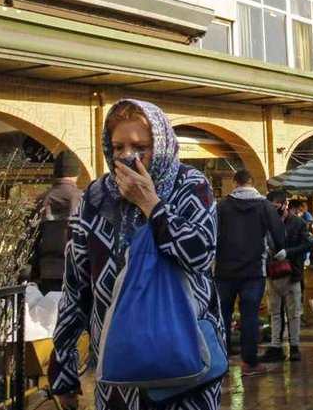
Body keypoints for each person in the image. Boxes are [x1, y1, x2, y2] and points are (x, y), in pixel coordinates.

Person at [50, 99, 221, 410]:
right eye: (118, 148)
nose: (128, 157)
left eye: (140, 146)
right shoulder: (95, 200)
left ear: (162, 144)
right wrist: (63, 370)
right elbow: (76, 288)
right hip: (119, 372)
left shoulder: (190, 187)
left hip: (188, 364)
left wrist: (151, 205)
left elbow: (200, 254)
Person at [214, 169, 285, 376]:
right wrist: (279, 251)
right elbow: (278, 231)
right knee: (250, 316)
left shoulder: (222, 205)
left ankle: (222, 361)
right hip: (254, 270)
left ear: (235, 184)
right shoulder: (263, 205)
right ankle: (249, 363)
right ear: (252, 183)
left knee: (223, 315)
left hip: (225, 270)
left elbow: (210, 231)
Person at [260, 190, 312, 363]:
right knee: (274, 311)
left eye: (275, 206)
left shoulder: (298, 223)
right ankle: (276, 346)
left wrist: (287, 253)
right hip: (272, 272)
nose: (273, 210)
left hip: (292, 273)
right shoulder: (267, 223)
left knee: (294, 312)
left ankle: (294, 345)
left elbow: (307, 244)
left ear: (284, 205)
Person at [30, 150, 82, 294]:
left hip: (48, 273)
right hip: (79, 272)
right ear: (77, 174)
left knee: (50, 314)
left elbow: (28, 240)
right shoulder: (85, 200)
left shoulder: (41, 200)